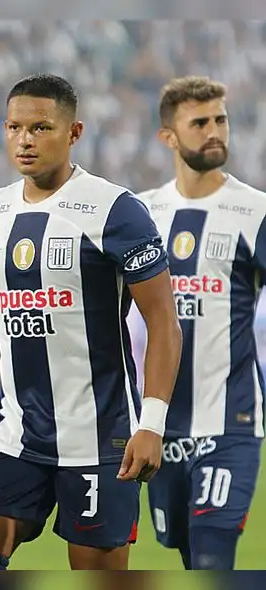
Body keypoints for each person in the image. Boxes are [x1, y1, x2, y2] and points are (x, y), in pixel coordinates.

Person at [0, 73, 182, 571]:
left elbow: (163, 321)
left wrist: (152, 425)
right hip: (14, 434)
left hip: (99, 439)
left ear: (74, 133)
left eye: (40, 128)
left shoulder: (115, 210)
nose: (25, 140)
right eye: (14, 127)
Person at [138, 76, 265, 570]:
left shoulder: (253, 212)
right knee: (187, 555)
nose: (215, 131)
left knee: (213, 558)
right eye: (200, 123)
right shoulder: (144, 214)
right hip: (160, 428)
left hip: (230, 422)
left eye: (221, 120)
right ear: (168, 136)